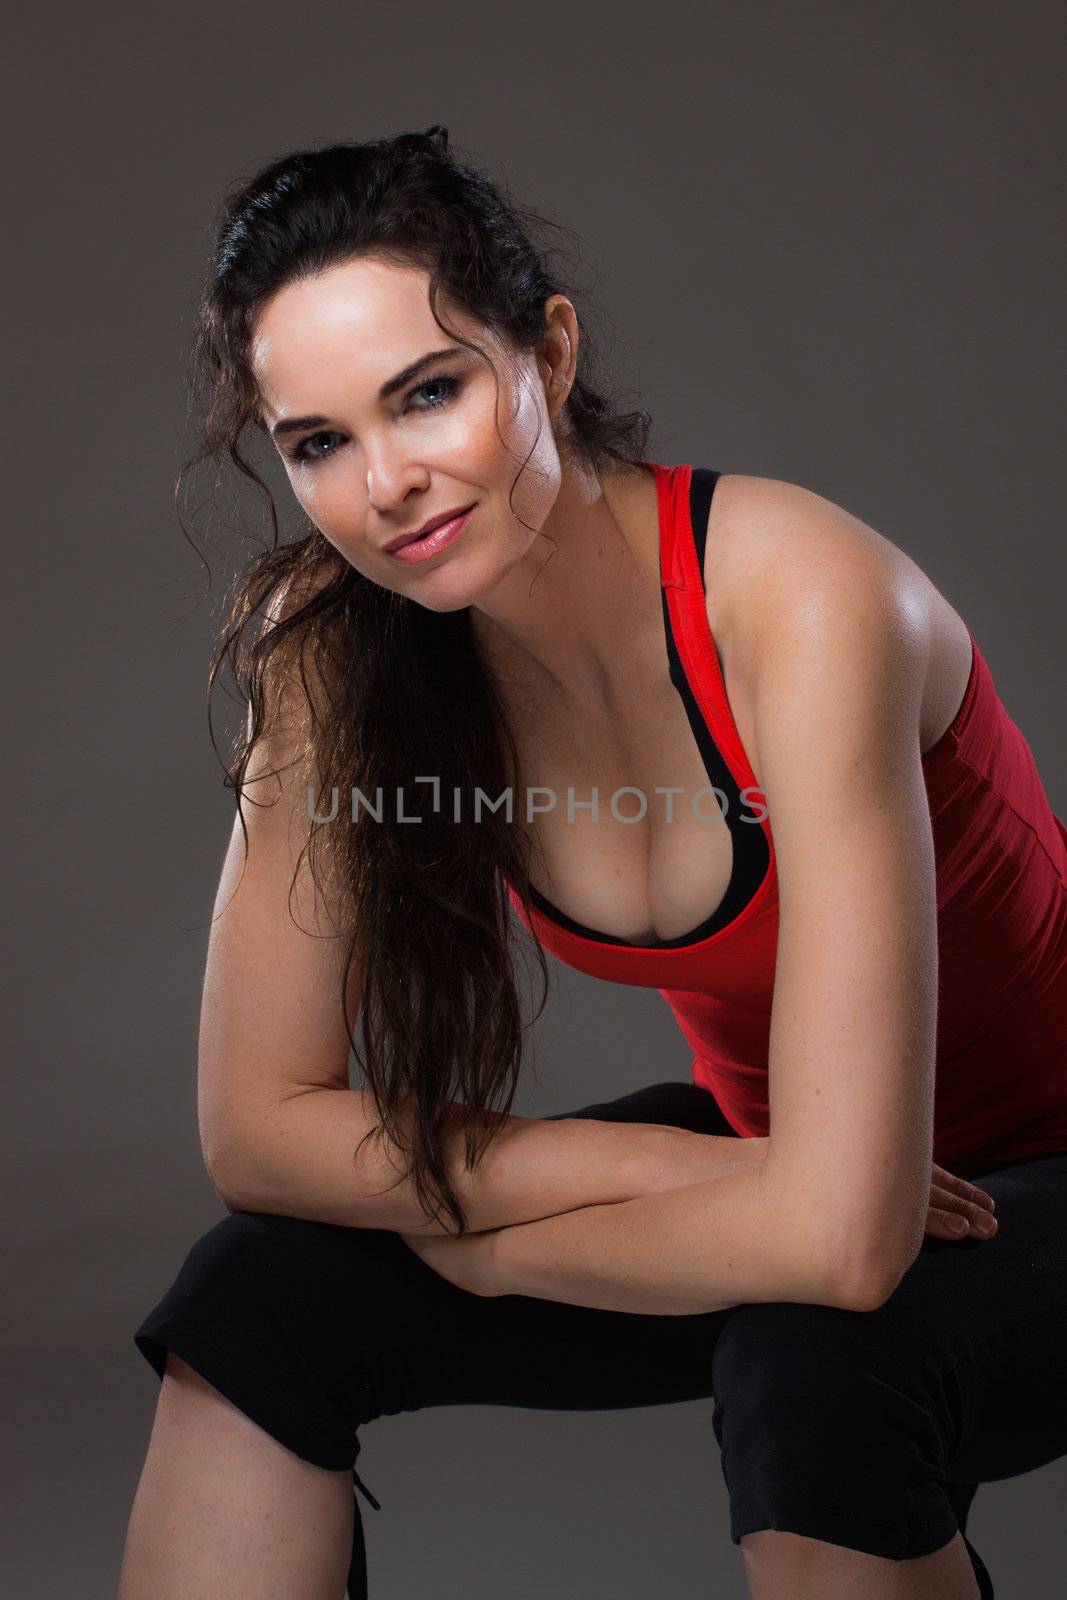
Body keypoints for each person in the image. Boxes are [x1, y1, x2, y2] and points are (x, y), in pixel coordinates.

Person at [117, 126, 1067, 1600]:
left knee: (813, 1359)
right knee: (260, 1298)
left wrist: (490, 1248)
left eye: (428, 394)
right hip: (782, 1154)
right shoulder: (340, 650)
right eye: (320, 443)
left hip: (1026, 1162)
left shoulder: (800, 598)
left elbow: (845, 1239)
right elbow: (259, 1130)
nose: (388, 486)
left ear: (546, 356)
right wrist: (666, 1165)